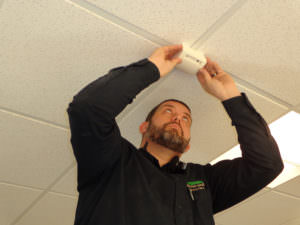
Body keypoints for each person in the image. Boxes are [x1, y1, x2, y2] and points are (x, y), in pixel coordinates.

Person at [66, 44, 284, 225]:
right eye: (168, 111)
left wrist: (231, 97)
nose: (178, 119)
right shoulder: (112, 162)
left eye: (186, 118)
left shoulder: (204, 182)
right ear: (144, 127)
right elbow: (88, 109)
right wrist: (149, 70)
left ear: (187, 144)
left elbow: (267, 165)